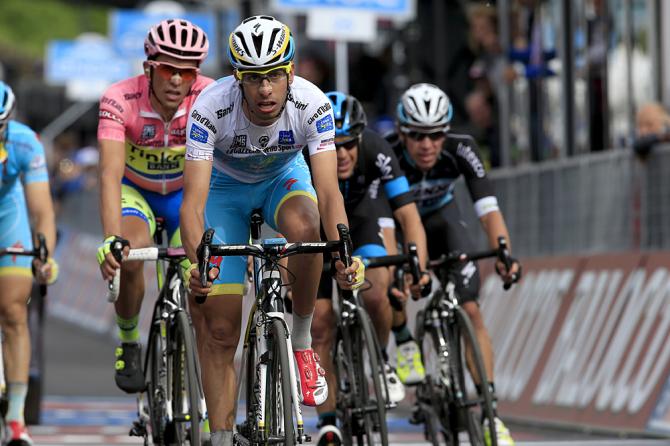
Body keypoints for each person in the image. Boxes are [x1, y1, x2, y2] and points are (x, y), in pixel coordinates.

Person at [180, 16, 364, 446]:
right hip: (224, 193)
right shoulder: (210, 107)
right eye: (254, 79)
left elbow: (329, 191)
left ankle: (300, 342)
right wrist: (197, 262)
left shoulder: (312, 103)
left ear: (291, 73)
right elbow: (193, 203)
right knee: (221, 330)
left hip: (283, 180)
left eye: (274, 77)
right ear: (237, 79)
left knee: (307, 224)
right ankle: (222, 437)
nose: (265, 89)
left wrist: (342, 251)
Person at [387, 83, 520, 446]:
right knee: (390, 284)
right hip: (398, 226)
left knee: (472, 311)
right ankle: (404, 342)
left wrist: (504, 253)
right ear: (402, 133)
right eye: (416, 135)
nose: (427, 144)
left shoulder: (462, 149)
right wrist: (408, 269)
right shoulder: (388, 154)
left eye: (435, 135)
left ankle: (491, 415)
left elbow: (488, 208)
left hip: (443, 221)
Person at [96, 19, 213, 394]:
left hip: (186, 194)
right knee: (131, 253)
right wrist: (111, 239)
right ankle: (129, 340)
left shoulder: (209, 96)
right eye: (167, 69)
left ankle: (199, 385)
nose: (177, 80)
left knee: (199, 269)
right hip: (137, 192)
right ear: (149, 67)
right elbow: (109, 175)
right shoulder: (119, 98)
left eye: (187, 72)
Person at [309, 91, 430, 445]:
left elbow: (408, 215)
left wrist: (417, 267)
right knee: (320, 324)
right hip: (316, 224)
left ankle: (379, 359)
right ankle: (328, 421)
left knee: (377, 293)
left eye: (349, 144)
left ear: (360, 137)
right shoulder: (304, 152)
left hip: (362, 219)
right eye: (334, 145)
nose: (342, 154)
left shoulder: (377, 149)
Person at [0, 81, 58, 445]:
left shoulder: (24, 142)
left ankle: (16, 418)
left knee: (13, 310)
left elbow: (41, 211)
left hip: (8, 220)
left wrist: (44, 256)